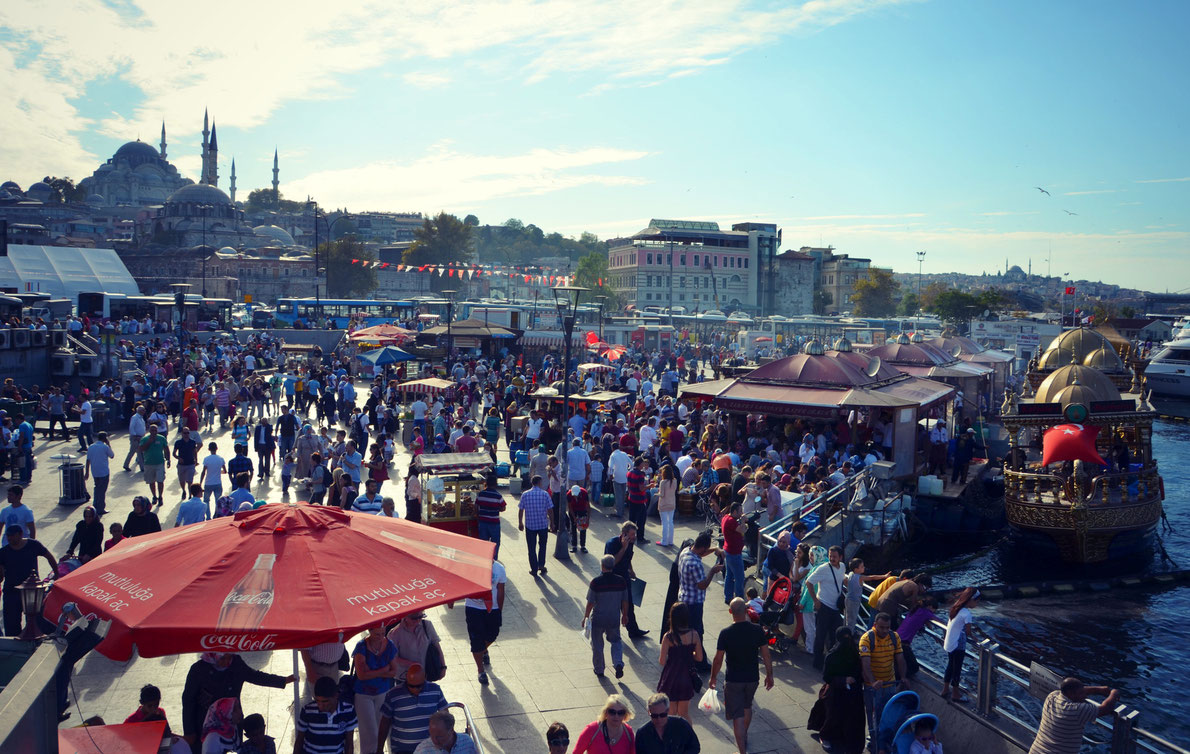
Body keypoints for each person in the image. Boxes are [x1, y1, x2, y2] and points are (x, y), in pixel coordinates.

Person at [181, 652, 294, 748]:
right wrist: (189, 732)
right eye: (222, 658)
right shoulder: (198, 670)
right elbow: (188, 701)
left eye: (229, 657)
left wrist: (283, 680)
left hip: (232, 722)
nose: (226, 662)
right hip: (206, 725)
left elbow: (255, 676)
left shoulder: (235, 663)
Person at [709, 598, 774, 754]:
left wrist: (712, 677)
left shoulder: (725, 633)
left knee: (737, 716)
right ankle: (743, 736)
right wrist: (770, 675)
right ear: (746, 611)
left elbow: (718, 660)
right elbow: (766, 655)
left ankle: (742, 751)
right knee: (747, 706)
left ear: (730, 612)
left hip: (733, 680)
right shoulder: (757, 630)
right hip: (752, 678)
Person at [859, 612, 909, 754]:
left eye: (887, 627)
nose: (885, 631)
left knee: (888, 715)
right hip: (872, 687)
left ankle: (885, 741)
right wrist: (873, 681)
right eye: (881, 627)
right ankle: (873, 739)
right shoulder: (867, 639)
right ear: (875, 625)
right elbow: (866, 664)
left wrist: (904, 677)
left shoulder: (894, 637)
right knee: (873, 714)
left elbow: (900, 658)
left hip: (890, 683)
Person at [1028, 677, 1120, 754]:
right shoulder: (1076, 710)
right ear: (1071, 694)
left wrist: (1097, 689)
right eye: (1081, 693)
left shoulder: (1052, 696)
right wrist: (1114, 693)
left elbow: (1071, 690)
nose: (1085, 696)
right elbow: (1105, 709)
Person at [676, 531, 724, 668]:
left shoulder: (686, 551)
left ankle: (691, 658)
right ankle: (700, 662)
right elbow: (702, 585)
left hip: (683, 598)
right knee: (697, 632)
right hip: (694, 603)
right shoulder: (695, 564)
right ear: (702, 548)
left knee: (687, 630)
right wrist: (712, 571)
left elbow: (701, 552)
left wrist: (715, 549)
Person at [377, 664, 448, 754]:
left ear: (425, 678)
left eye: (419, 686)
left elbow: (446, 717)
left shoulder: (435, 690)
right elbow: (384, 724)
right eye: (411, 686)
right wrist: (379, 749)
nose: (415, 689)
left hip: (429, 748)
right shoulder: (393, 695)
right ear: (406, 679)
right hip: (402, 750)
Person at [0, 525, 56, 636]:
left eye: (12, 536)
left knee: (35, 622)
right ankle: (14, 647)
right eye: (8, 536)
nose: (10, 539)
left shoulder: (33, 545)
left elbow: (49, 556)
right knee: (11, 625)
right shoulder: (3, 552)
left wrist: (57, 574)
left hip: (32, 591)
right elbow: (0, 575)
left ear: (20, 534)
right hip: (11, 592)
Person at [353, 624, 400, 754]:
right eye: (376, 634)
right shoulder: (361, 646)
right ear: (369, 631)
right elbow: (361, 675)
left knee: (381, 729)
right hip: (363, 694)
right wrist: (384, 670)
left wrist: (372, 672)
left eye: (382, 633)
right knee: (368, 731)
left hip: (383, 693)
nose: (380, 637)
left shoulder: (389, 645)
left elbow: (393, 672)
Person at [819, 626, 865, 754]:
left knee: (854, 718)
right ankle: (826, 736)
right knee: (834, 715)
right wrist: (843, 680)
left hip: (853, 691)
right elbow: (827, 676)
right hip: (836, 691)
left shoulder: (854, 653)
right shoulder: (832, 655)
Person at [583, 554, 630, 678]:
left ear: (602, 566)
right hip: (614, 618)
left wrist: (586, 617)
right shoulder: (621, 581)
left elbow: (590, 603)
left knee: (597, 644)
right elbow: (625, 600)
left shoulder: (596, 582)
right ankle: (618, 663)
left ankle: (599, 669)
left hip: (598, 619)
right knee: (616, 641)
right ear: (613, 566)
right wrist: (624, 615)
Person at [657, 603, 704, 720]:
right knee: (684, 714)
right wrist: (689, 655)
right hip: (686, 678)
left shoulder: (668, 637)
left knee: (671, 714)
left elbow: (662, 661)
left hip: (670, 678)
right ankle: (689, 736)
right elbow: (699, 658)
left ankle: (672, 737)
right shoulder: (694, 634)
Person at [604, 521, 648, 639]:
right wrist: (623, 547)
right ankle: (609, 631)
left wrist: (631, 570)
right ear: (624, 534)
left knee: (628, 605)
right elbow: (612, 563)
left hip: (624, 577)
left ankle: (633, 630)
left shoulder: (631, 542)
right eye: (632, 534)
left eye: (635, 534)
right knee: (613, 608)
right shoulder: (612, 544)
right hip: (612, 579)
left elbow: (628, 558)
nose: (634, 537)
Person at [805, 545, 847, 670]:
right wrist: (815, 600)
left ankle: (831, 661)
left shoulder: (843, 567)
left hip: (835, 608)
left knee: (836, 636)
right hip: (824, 606)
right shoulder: (823, 569)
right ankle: (817, 663)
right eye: (830, 556)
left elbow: (842, 578)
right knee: (821, 636)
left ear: (840, 557)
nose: (832, 559)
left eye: (834, 557)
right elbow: (809, 582)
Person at [465, 558, 506, 685]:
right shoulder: (470, 566)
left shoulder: (499, 568)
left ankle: (483, 650)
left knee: (493, 634)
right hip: (473, 607)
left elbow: (500, 590)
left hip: (492, 609)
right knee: (476, 640)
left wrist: (499, 610)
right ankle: (480, 670)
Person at [295, 675, 358, 754]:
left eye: (325, 702)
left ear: (336, 696)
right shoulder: (307, 711)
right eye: (317, 700)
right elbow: (299, 741)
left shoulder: (349, 711)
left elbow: (349, 743)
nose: (320, 706)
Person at [942, 587, 983, 704]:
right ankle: (955, 694)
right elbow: (969, 632)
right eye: (976, 601)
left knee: (950, 666)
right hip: (958, 644)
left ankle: (945, 689)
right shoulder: (967, 614)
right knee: (957, 669)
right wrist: (977, 640)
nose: (977, 604)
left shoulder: (956, 607)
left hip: (949, 641)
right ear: (970, 600)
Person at [634, 693, 700, 754]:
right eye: (654, 716)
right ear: (649, 712)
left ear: (668, 710)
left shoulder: (681, 724)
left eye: (662, 715)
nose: (659, 719)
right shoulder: (642, 733)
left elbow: (695, 747)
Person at [518, 475, 554, 577]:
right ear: (539, 482)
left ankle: (534, 569)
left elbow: (521, 510)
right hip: (542, 525)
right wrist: (552, 522)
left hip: (530, 526)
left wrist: (520, 522)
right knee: (542, 546)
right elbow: (550, 510)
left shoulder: (525, 494)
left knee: (531, 548)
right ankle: (541, 565)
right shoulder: (545, 494)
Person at [412, 709, 477, 754]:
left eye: (439, 737)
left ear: (451, 730)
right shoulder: (422, 750)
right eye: (431, 735)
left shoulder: (467, 742)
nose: (434, 741)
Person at [139, 423, 171, 508]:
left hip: (159, 463)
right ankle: (154, 496)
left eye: (155, 430)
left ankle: (160, 496)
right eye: (152, 430)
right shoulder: (145, 439)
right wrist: (149, 442)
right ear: (149, 431)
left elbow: (166, 449)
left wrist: (168, 459)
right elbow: (141, 449)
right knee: (151, 481)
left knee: (160, 481)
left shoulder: (161, 438)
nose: (154, 432)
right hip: (148, 464)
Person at [720, 502, 747, 602]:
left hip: (728, 551)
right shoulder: (731, 521)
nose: (741, 513)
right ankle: (740, 600)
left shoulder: (726, 518)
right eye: (740, 511)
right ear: (734, 511)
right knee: (739, 578)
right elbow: (742, 530)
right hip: (734, 553)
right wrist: (743, 521)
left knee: (729, 576)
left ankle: (728, 597)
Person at [83, 431, 114, 516]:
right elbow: (112, 455)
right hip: (104, 472)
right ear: (105, 438)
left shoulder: (91, 447)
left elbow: (88, 460)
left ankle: (95, 506)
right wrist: (109, 444)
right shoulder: (105, 447)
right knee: (102, 491)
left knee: (97, 489)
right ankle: (100, 508)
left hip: (95, 472)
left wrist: (87, 472)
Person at [475, 474, 505, 558]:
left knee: (484, 542)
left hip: (483, 522)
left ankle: (485, 559)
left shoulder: (481, 494)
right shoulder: (498, 495)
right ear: (495, 484)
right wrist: (496, 508)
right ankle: (493, 560)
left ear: (486, 483)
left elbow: (476, 506)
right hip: (494, 523)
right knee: (495, 543)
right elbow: (503, 508)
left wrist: (478, 517)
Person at [173, 427, 201, 503]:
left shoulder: (192, 442)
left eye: (187, 433)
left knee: (189, 481)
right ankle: (183, 490)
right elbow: (174, 453)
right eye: (184, 433)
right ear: (182, 433)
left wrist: (196, 460)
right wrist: (178, 458)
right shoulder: (178, 442)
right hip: (181, 465)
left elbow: (194, 451)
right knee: (182, 480)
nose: (186, 434)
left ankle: (190, 495)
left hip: (190, 464)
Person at [199, 442, 226, 514]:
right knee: (218, 501)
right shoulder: (221, 459)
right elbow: (225, 471)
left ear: (208, 449)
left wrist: (200, 483)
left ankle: (208, 516)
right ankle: (216, 514)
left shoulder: (206, 459)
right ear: (217, 448)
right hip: (218, 483)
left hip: (208, 483)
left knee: (206, 500)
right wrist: (218, 471)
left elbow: (203, 472)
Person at [654, 464, 678, 547]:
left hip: (664, 504)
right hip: (672, 503)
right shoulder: (674, 480)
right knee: (670, 522)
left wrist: (656, 494)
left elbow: (662, 494)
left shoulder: (663, 482)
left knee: (664, 523)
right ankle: (670, 541)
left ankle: (664, 541)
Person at [567, 484, 591, 553]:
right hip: (573, 511)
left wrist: (587, 519)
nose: (575, 496)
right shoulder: (569, 494)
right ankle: (574, 545)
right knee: (573, 528)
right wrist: (574, 517)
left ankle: (583, 546)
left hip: (582, 510)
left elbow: (588, 506)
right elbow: (570, 507)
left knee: (583, 528)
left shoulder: (584, 493)